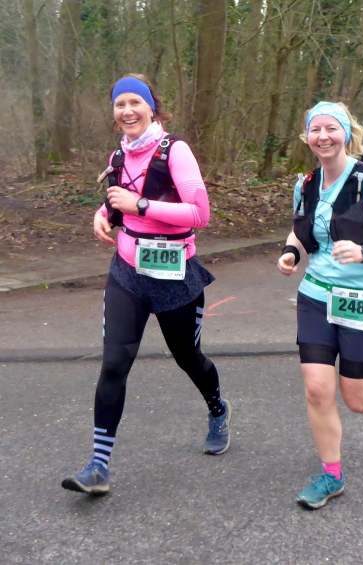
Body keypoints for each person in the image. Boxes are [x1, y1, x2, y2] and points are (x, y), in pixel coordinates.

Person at [61, 74, 231, 495]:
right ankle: (98, 466)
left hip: (175, 277)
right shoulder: (119, 154)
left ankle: (217, 410)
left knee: (188, 357)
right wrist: (102, 215)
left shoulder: (175, 150)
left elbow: (200, 213)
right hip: (128, 274)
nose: (127, 111)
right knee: (114, 364)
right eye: (120, 104)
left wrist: (139, 205)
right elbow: (115, 203)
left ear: (151, 107)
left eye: (135, 102)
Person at [278, 101, 363, 509]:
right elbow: (301, 230)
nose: (323, 136)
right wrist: (290, 253)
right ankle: (331, 475)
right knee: (317, 390)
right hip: (315, 298)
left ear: (346, 133)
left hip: (362, 302)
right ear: (307, 136)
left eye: (331, 129)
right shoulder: (306, 184)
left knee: (358, 399)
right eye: (315, 129)